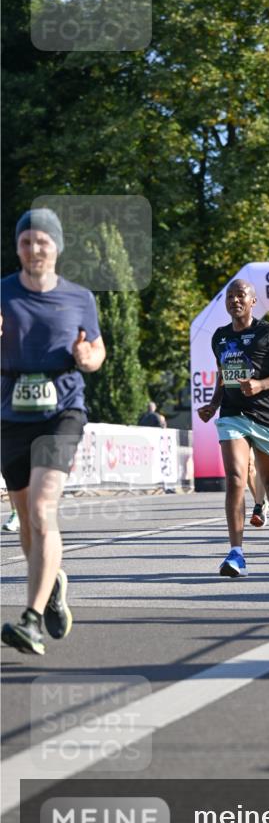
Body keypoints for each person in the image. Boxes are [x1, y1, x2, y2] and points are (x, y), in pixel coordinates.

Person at [1, 208, 106, 655]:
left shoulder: (80, 297)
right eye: (26, 242)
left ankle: (31, 620)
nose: (34, 249)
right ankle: (54, 582)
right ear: (18, 248)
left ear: (56, 246)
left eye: (42, 241)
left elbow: (97, 350)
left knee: (44, 509)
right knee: (27, 523)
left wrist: (86, 357)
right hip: (9, 416)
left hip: (62, 411)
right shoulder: (2, 293)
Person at [197, 279, 269, 577]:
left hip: (268, 417)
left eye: (240, 295)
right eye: (229, 296)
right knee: (234, 477)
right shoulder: (219, 337)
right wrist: (214, 403)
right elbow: (223, 375)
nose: (234, 301)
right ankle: (236, 554)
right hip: (233, 415)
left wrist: (261, 384)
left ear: (252, 301)